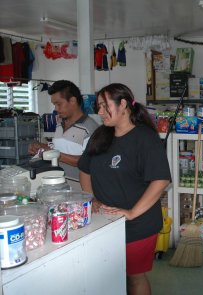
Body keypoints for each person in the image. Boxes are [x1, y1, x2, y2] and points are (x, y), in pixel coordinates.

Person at [78, 83, 171, 295]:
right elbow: (84, 170)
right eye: (98, 106)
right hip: (103, 221)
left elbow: (161, 180)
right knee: (109, 277)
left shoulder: (145, 138)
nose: (100, 112)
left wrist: (131, 213)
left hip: (137, 225)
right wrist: (91, 199)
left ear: (123, 104)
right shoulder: (100, 135)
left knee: (133, 278)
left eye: (104, 106)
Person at [28, 80, 99, 187]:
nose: (56, 109)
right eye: (54, 104)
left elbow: (86, 161)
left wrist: (55, 154)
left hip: (80, 186)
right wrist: (40, 147)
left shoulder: (90, 127)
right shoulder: (59, 123)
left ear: (73, 101)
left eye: (59, 104)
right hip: (57, 181)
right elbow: (58, 147)